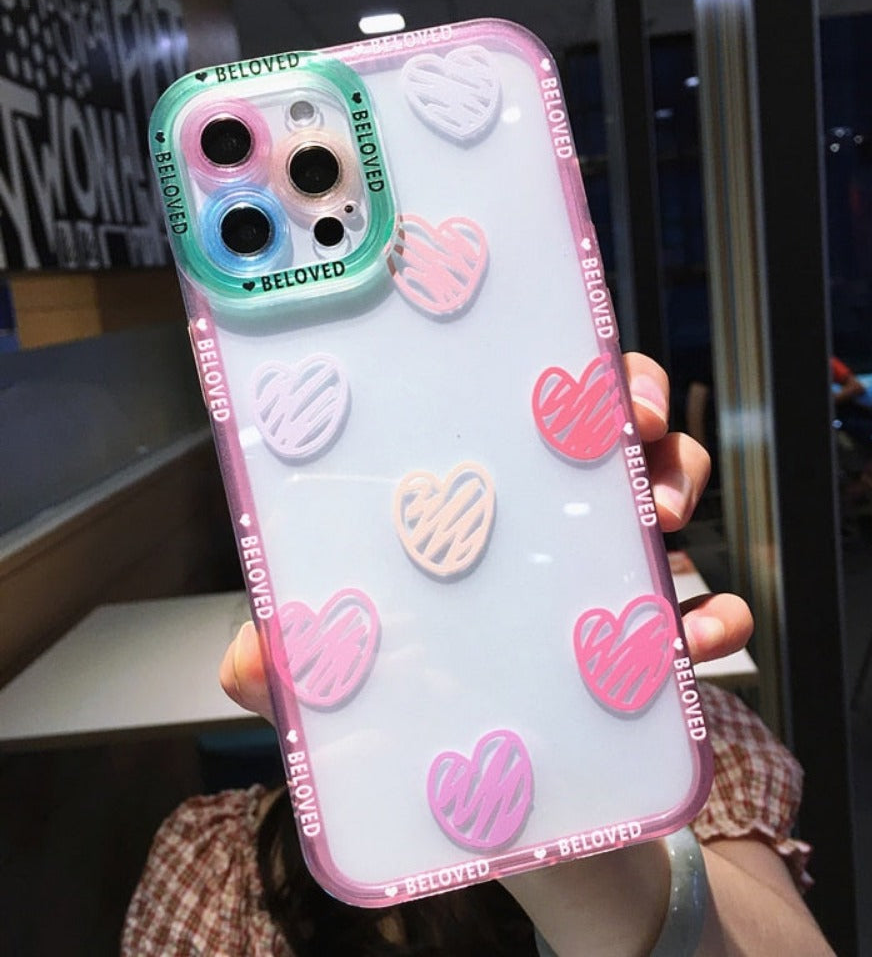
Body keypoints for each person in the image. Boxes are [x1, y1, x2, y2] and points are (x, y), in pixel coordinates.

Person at [121, 354, 834, 957]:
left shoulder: (681, 752)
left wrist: (542, 809)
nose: (424, 573)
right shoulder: (211, 873)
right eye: (343, 526)